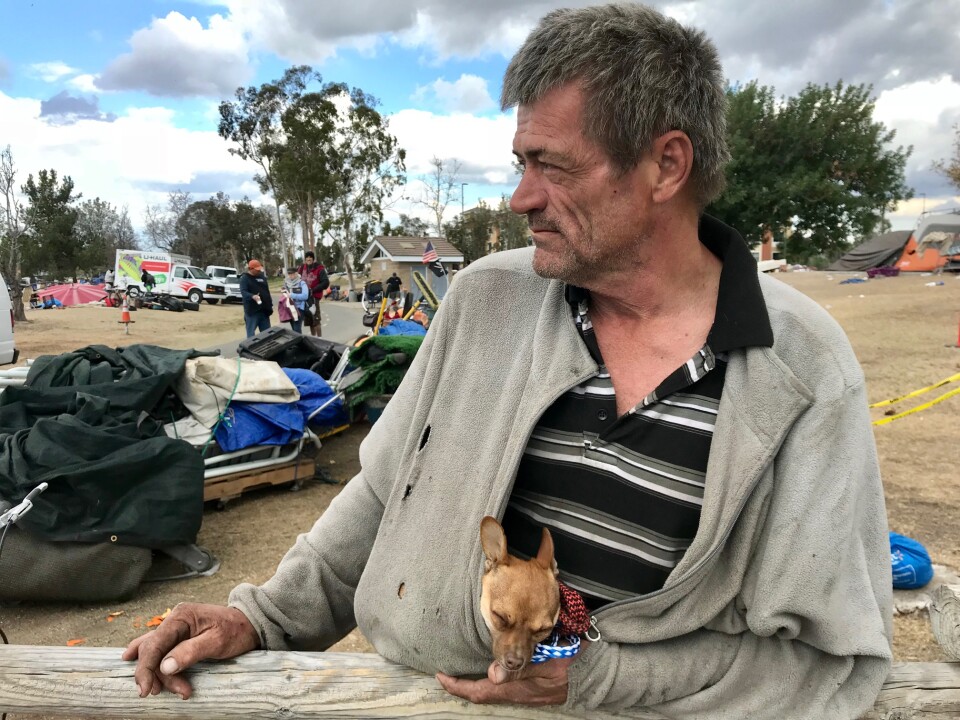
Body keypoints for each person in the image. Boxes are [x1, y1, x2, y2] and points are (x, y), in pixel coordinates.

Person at [123, 6, 892, 719]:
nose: (521, 197)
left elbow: (832, 661)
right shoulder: (485, 300)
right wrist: (261, 618)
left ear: (665, 165)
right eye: (520, 161)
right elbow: (387, 496)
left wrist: (601, 679)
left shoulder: (801, 370)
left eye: (552, 166)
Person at [297, 251, 329, 337]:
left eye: (310, 257)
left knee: (316, 320)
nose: (308, 259)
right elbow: (296, 279)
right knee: (310, 321)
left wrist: (312, 290)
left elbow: (325, 283)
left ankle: (320, 339)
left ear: (313, 259)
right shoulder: (301, 268)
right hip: (304, 298)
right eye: (307, 257)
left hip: (314, 298)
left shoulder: (319, 269)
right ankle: (314, 340)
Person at [238, 259, 272, 338]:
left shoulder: (262, 277)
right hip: (252, 311)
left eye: (259, 269)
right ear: (250, 269)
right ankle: (251, 348)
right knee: (251, 335)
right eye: (257, 270)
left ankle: (267, 349)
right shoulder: (245, 278)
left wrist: (270, 304)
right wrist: (252, 296)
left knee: (267, 334)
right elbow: (243, 292)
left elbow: (267, 291)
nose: (259, 271)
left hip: (264, 310)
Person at [277, 267, 309, 334]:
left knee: (297, 329)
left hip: (299, 308)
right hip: (290, 308)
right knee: (294, 329)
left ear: (296, 273)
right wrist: (284, 292)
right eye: (289, 274)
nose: (291, 276)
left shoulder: (302, 283)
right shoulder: (286, 283)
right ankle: (298, 343)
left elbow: (305, 296)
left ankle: (300, 343)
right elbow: (284, 293)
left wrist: (292, 295)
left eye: (293, 274)